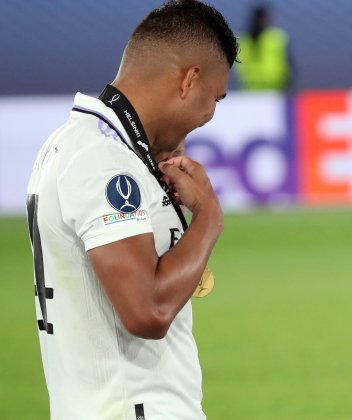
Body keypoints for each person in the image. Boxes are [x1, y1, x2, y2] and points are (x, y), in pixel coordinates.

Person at [25, 1, 238, 418]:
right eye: (214, 98)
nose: (210, 115)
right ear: (189, 79)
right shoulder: (102, 158)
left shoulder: (75, 143)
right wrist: (209, 217)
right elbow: (149, 311)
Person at [234, 4, 294, 91]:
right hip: (274, 86)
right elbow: (289, 63)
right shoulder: (277, 37)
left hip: (251, 87)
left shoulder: (241, 40)